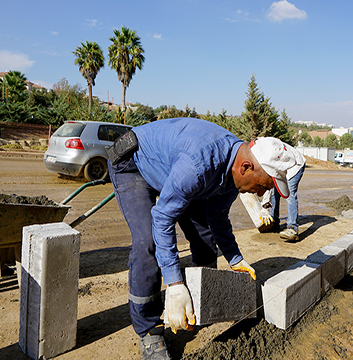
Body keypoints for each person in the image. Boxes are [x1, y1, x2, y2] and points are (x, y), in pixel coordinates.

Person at [108, 118, 298, 360]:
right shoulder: (199, 165)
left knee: (205, 237)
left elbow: (217, 216)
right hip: (134, 164)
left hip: (173, 169)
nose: (261, 194)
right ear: (246, 167)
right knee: (149, 244)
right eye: (263, 186)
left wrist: (235, 258)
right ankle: (148, 330)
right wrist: (175, 285)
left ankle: (199, 303)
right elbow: (163, 217)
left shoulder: (232, 175)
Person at [260, 144, 306, 242]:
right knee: (275, 193)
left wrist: (264, 205)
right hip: (283, 166)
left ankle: (292, 228)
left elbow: (269, 179)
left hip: (295, 166)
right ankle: (274, 223)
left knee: (290, 194)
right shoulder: (261, 153)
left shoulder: (267, 157)